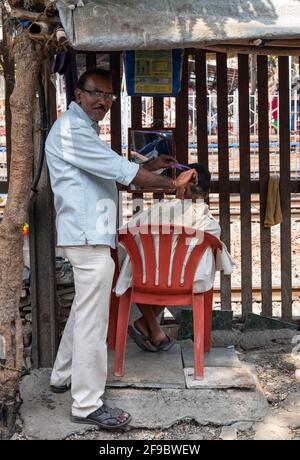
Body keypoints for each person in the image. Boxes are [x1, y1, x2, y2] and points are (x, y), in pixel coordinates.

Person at [45, 67, 197, 429]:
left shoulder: (82, 130)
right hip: (86, 235)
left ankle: (61, 375)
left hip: (91, 235)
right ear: (78, 94)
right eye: (96, 93)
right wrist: (171, 182)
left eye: (109, 96)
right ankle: (86, 404)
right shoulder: (70, 130)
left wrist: (152, 169)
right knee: (93, 324)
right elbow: (119, 171)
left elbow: (116, 172)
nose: (103, 101)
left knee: (84, 313)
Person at [115, 163, 235, 352]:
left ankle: (151, 327)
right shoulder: (210, 225)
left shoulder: (154, 212)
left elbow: (124, 237)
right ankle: (152, 328)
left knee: (138, 266)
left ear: (182, 186)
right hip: (184, 283)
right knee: (182, 270)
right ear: (206, 193)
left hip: (145, 281)